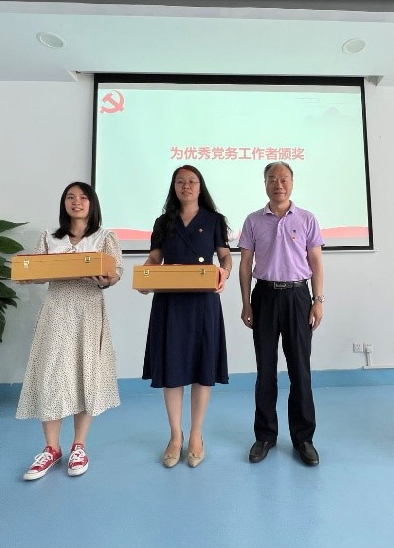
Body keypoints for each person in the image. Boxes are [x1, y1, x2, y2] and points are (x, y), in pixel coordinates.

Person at [16, 181, 123, 480]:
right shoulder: (49, 237)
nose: (77, 202)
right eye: (70, 197)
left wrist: (106, 280)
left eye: (83, 197)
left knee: (84, 373)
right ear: (64, 204)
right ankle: (51, 448)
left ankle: (79, 446)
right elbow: (37, 271)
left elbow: (115, 274)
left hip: (88, 310)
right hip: (57, 310)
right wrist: (28, 277)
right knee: (51, 374)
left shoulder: (105, 237)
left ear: (92, 203)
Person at [139, 165, 231, 469]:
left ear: (200, 187)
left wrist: (225, 272)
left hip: (203, 302)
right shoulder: (163, 222)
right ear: (174, 187)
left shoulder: (214, 220)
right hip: (170, 301)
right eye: (180, 182)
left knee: (203, 367)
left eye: (192, 181)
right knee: (172, 367)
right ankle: (175, 436)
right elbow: (155, 257)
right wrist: (145, 276)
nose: (186, 186)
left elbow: (225, 255)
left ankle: (196, 435)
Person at [238, 161, 324, 467]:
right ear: (265, 184)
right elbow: (245, 264)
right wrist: (246, 302)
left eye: (284, 179)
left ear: (292, 182)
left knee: (300, 369)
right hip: (264, 296)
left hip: (298, 296)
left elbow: (316, 262)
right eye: (272, 179)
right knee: (265, 369)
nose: (279, 184)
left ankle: (303, 438)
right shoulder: (253, 221)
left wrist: (318, 300)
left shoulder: (306, 218)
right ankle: (265, 436)